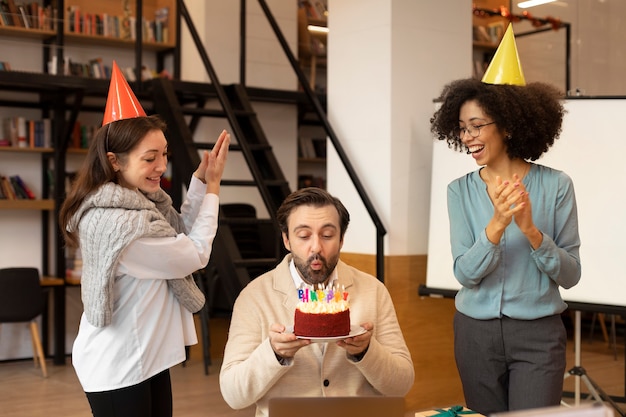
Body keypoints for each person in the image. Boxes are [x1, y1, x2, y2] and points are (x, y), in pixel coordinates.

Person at [58, 61, 230, 417]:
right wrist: (212, 189)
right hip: (118, 365)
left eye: (164, 154)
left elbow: (178, 230)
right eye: (150, 158)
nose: (162, 165)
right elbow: (193, 252)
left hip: (145, 357)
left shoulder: (144, 207)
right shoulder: (122, 228)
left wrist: (199, 183)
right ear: (114, 161)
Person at [430, 25, 581, 415]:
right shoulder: (458, 191)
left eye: (477, 125)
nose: (467, 136)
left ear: (510, 125)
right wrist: (496, 225)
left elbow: (570, 275)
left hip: (538, 335)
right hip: (474, 334)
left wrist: (531, 231)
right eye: (462, 128)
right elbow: (465, 273)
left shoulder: (556, 186)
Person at [219, 187, 414, 417]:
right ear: (286, 239)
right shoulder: (254, 297)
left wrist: (366, 352)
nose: (316, 248)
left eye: (327, 235)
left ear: (341, 239)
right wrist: (273, 353)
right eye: (303, 236)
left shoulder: (373, 291)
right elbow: (233, 395)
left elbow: (402, 384)